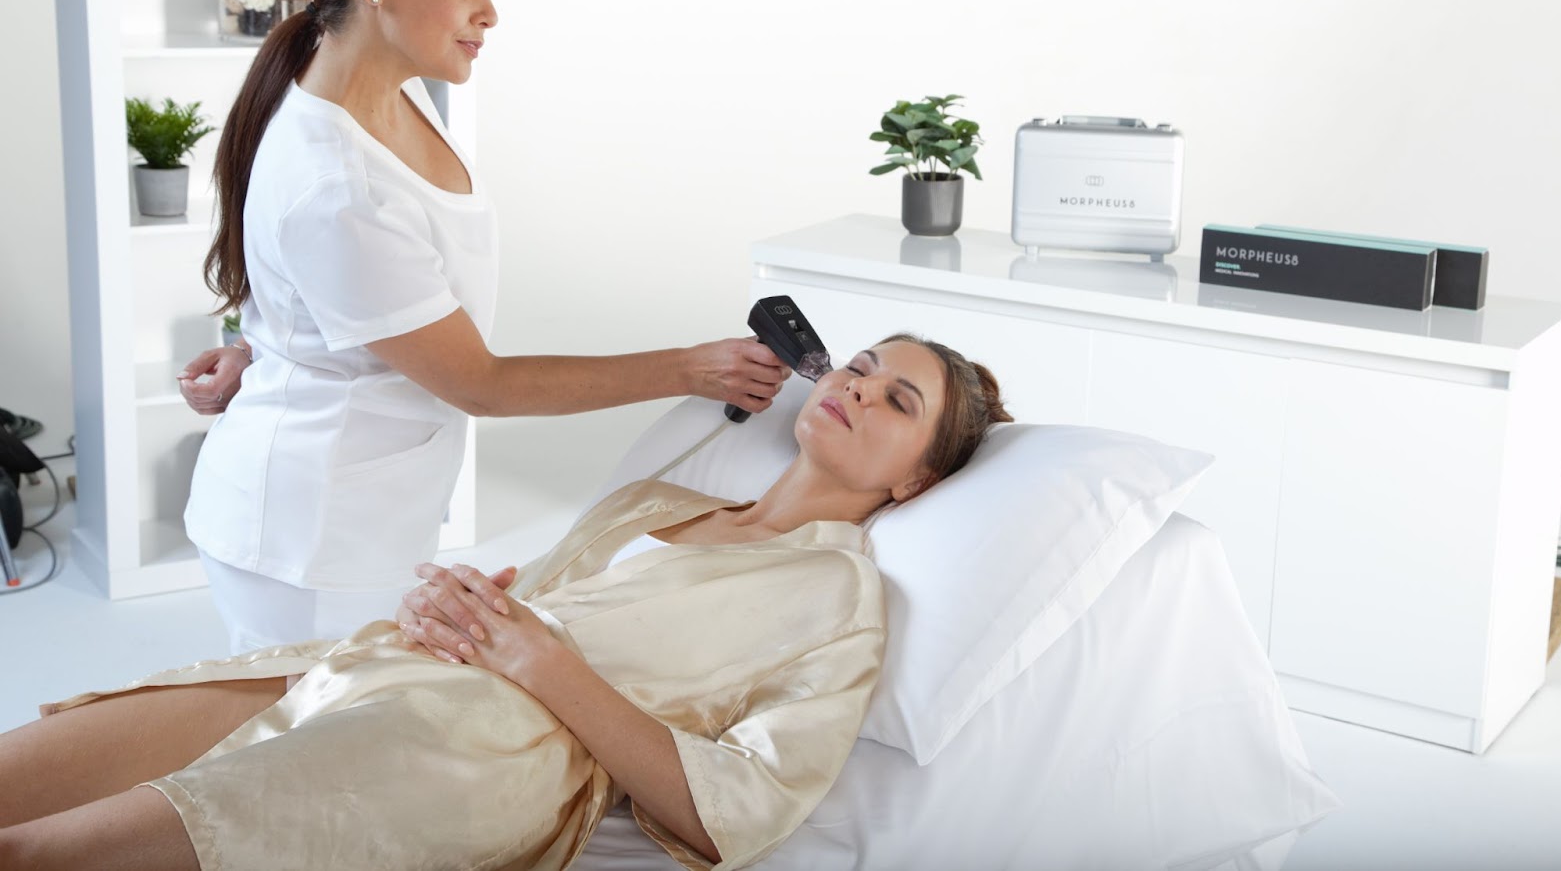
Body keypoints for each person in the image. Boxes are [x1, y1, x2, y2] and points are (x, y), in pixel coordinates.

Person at [0, 336, 1012, 870]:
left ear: (917, 478)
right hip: (384, 663)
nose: (859, 389)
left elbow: (739, 810)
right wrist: (463, 602)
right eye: (862, 367)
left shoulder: (839, 598)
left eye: (897, 402)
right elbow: (534, 600)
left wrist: (543, 665)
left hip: (484, 754)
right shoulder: (662, 500)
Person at [175, 0, 787, 653]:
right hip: (306, 541)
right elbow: (480, 384)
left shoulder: (388, 87)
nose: (489, 11)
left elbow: (310, 276)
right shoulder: (338, 183)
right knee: (301, 757)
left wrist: (264, 348)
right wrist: (691, 368)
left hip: (359, 511)